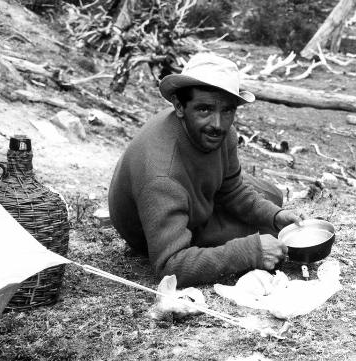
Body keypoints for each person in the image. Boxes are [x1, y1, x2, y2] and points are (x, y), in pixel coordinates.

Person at [108, 53, 302, 293]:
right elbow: (169, 265)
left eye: (227, 111)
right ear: (179, 106)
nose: (218, 124)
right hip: (162, 230)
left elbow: (231, 188)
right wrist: (250, 251)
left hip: (196, 200)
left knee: (271, 199)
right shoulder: (161, 176)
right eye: (204, 109)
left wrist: (275, 216)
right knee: (259, 235)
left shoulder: (222, 133)